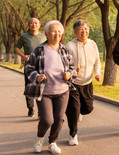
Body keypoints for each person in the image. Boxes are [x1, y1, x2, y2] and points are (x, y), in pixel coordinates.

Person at [25, 20, 77, 154]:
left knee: (59, 118)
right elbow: (29, 68)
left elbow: (73, 69)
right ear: (47, 34)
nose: (57, 34)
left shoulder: (65, 50)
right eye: (54, 31)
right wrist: (36, 76)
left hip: (62, 90)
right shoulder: (39, 50)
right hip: (44, 91)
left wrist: (69, 75)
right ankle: (40, 138)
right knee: (47, 120)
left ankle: (52, 142)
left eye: (59, 32)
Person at [65, 20, 101, 146]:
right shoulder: (69, 46)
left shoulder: (92, 44)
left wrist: (97, 73)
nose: (83, 31)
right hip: (73, 83)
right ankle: (73, 135)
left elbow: (97, 61)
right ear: (75, 32)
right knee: (73, 111)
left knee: (88, 108)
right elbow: (64, 64)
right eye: (80, 29)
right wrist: (73, 70)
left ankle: (79, 111)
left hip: (88, 83)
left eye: (85, 29)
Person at [15, 17, 46, 117]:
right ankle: (31, 108)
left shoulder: (44, 36)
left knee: (42, 87)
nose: (34, 25)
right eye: (31, 23)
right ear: (28, 25)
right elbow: (16, 48)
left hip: (42, 65)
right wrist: (23, 56)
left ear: (39, 25)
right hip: (29, 66)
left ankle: (41, 111)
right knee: (29, 86)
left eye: (36, 23)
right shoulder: (24, 36)